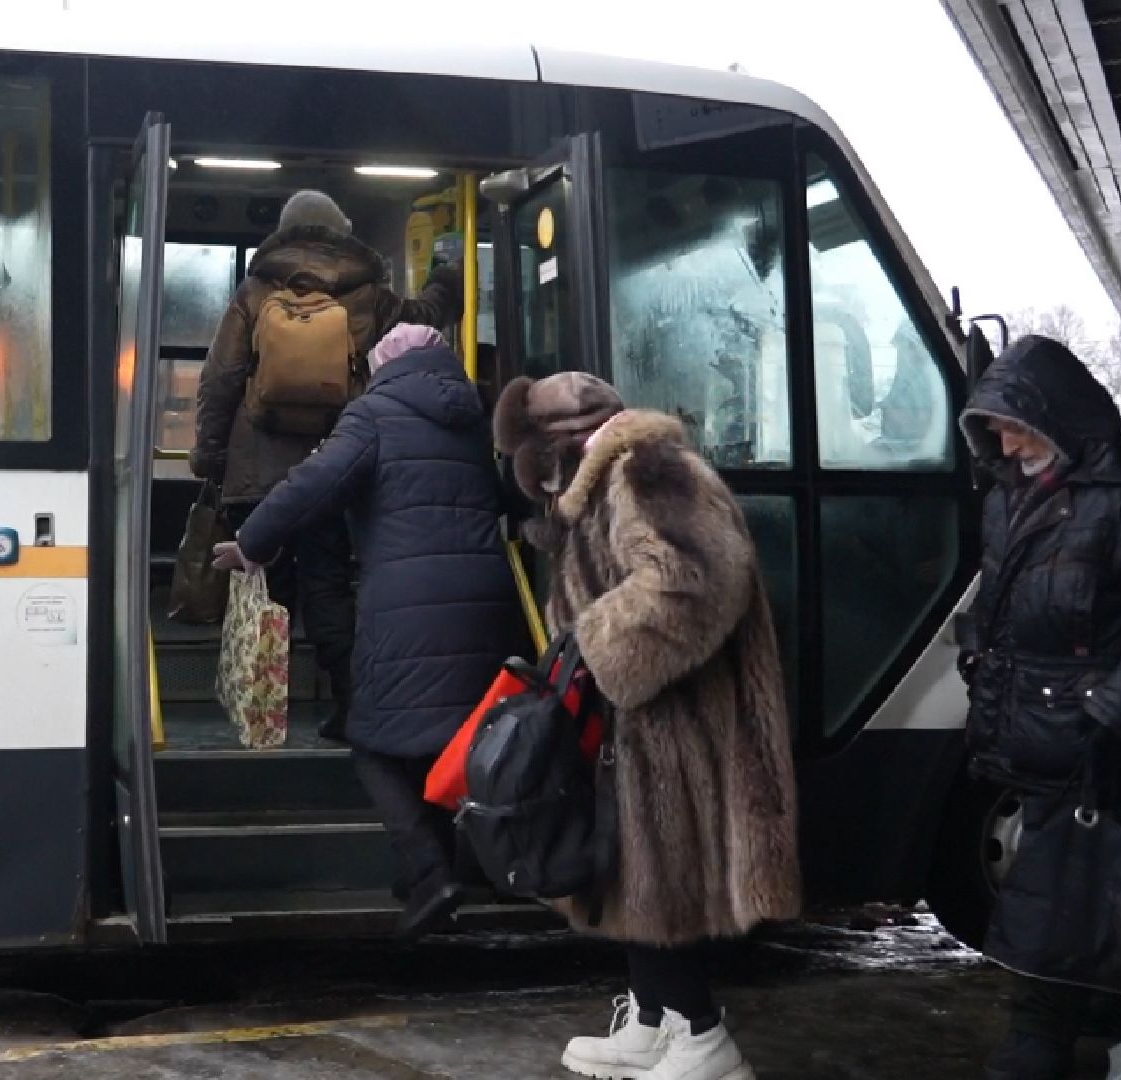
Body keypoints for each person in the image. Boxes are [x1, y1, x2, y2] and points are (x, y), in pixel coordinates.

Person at [495, 371, 800, 1080]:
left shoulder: (645, 470)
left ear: (560, 447)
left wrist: (598, 645)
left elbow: (692, 579)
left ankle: (702, 1039)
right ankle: (655, 1018)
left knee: (664, 875)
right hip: (644, 721)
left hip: (679, 724)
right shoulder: (612, 478)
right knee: (634, 872)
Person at [212, 324, 522, 938]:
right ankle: (460, 867)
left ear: (383, 366)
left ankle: (429, 873)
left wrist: (252, 543)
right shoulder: (472, 417)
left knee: (374, 741)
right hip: (487, 601)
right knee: (448, 737)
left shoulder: (374, 414)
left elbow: (312, 484)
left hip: (409, 605)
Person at [956, 335, 1121, 1080]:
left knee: (1064, 898)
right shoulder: (1008, 495)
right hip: (1043, 733)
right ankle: (1078, 1024)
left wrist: (1110, 710)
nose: (1006, 445)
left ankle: (1044, 1038)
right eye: (994, 430)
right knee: (1061, 896)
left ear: (1056, 416)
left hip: (1101, 743)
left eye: (1015, 427)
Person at [192, 190, 462, 742]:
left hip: (258, 468)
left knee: (263, 587)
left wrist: (210, 454)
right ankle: (351, 706)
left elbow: (221, 378)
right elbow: (425, 321)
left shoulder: (256, 289)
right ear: (341, 230)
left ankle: (263, 712)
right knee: (329, 586)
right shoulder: (368, 293)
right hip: (337, 462)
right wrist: (447, 278)